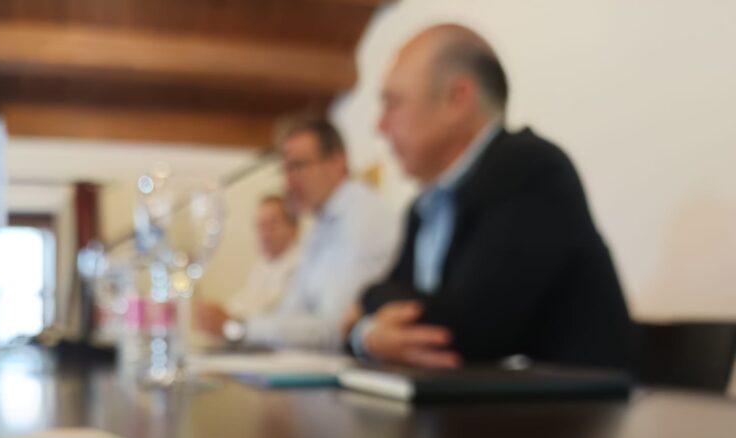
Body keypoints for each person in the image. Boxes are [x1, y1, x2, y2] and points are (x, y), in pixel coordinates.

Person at [347, 24, 633, 369]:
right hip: (482, 398)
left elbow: (467, 332)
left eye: (394, 103)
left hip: (572, 401)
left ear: (458, 99)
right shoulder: (423, 209)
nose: (379, 126)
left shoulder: (531, 170)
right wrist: (368, 334)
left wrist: (369, 300)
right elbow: (380, 319)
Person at [212, 118, 399, 350]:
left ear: (337, 162)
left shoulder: (364, 219)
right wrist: (240, 328)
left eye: (298, 166)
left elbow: (335, 328)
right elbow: (290, 312)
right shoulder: (320, 227)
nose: (288, 182)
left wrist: (237, 328)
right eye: (284, 170)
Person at [196, 195, 300, 337]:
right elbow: (244, 302)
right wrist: (217, 316)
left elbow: (274, 318)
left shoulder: (302, 266)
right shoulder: (262, 267)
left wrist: (228, 323)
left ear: (294, 228)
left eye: (273, 223)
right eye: (260, 225)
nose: (265, 233)